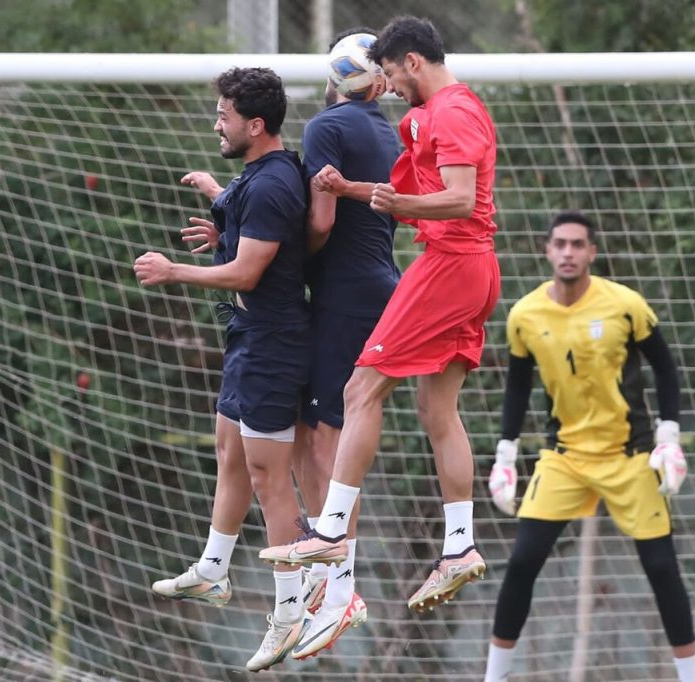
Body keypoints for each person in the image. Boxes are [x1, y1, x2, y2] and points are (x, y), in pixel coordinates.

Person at [260, 13, 501, 629]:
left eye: (392, 73)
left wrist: (396, 201)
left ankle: (331, 530)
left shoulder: (452, 110)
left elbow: (458, 198)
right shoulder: (435, 113)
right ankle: (458, 547)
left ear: (413, 62)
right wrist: (354, 190)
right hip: (470, 268)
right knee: (436, 411)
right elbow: (430, 194)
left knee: (359, 388)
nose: (389, 85)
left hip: (449, 266)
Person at [135, 66, 311, 672]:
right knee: (229, 450)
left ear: (254, 125)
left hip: (273, 344)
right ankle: (213, 569)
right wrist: (221, 212)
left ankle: (291, 612)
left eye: (223, 115)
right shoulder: (256, 177)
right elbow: (249, 242)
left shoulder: (272, 183)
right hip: (248, 338)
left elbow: (249, 275)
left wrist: (174, 271)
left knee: (269, 478)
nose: (217, 123)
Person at [482, 211, 695, 682]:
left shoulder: (625, 305)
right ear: (546, 249)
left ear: (592, 253)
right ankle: (493, 677)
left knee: (662, 568)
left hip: (629, 456)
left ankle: (692, 678)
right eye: (560, 244)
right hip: (565, 459)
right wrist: (506, 455)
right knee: (520, 564)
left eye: (578, 244)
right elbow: (518, 387)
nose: (568, 252)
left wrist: (669, 437)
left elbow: (665, 368)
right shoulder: (525, 315)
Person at [288, 28, 401, 660]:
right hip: (365, 285)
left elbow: (323, 220)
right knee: (312, 425)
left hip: (349, 291)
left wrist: (276, 263)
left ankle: (340, 586)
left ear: (336, 72)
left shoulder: (328, 125)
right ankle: (323, 572)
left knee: (328, 427)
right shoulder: (381, 127)